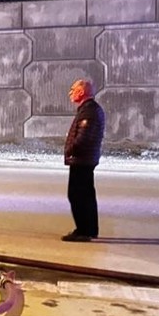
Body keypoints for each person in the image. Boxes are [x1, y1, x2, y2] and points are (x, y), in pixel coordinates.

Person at [62, 79, 105, 242]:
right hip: (86, 159)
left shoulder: (89, 111)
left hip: (82, 159)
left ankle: (83, 231)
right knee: (86, 194)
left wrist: (70, 149)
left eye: (73, 89)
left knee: (77, 194)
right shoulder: (90, 109)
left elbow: (83, 138)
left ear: (81, 92)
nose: (70, 93)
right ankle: (90, 229)